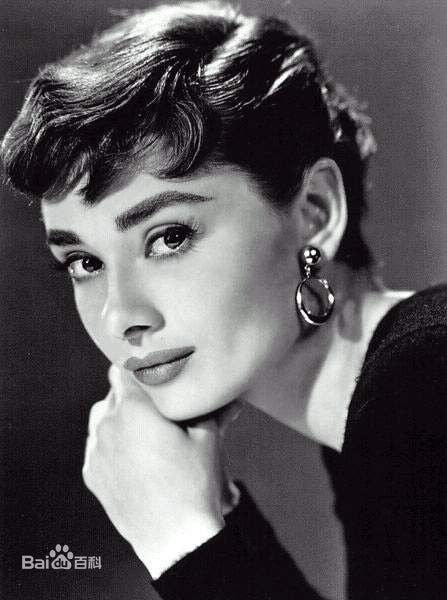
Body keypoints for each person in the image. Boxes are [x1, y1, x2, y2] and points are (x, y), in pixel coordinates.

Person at [2, 2, 447, 598]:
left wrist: (185, 539)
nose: (121, 315)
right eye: (85, 263)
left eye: (169, 237)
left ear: (315, 213)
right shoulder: (384, 412)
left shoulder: (422, 390)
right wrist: (216, 522)